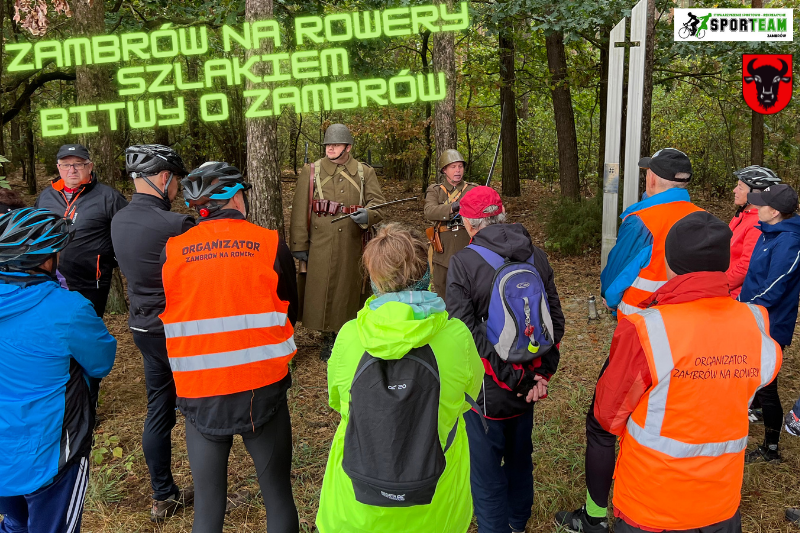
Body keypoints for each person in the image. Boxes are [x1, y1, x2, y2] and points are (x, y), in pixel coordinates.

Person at [569, 211, 780, 533]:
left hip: (651, 505)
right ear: (725, 263)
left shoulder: (647, 330)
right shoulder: (756, 321)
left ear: (669, 262)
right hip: (721, 504)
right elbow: (764, 374)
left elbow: (608, 418)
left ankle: (593, 517)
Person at [558, 148, 701, 531]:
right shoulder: (702, 219)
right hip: (690, 341)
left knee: (603, 425)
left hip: (641, 340)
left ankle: (594, 517)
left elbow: (612, 284)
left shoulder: (642, 221)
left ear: (651, 178)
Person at [159, 162, 299, 533]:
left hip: (200, 391)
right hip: (261, 389)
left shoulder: (173, 251)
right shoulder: (270, 243)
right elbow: (291, 311)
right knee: (278, 496)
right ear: (236, 198)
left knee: (207, 507)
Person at [316, 223, 484, 533]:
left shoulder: (349, 336)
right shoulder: (457, 336)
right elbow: (468, 396)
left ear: (374, 280)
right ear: (426, 274)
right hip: (436, 506)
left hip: (354, 509)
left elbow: (337, 401)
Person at [446, 186, 565, 533]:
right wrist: (539, 376)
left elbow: (464, 334)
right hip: (530, 386)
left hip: (487, 391)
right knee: (519, 458)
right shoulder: (536, 255)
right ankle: (518, 523)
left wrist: (517, 380)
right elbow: (554, 323)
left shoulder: (463, 263)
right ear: (502, 214)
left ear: (469, 224)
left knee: (486, 471)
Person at [0, 208, 117, 533]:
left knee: (15, 523)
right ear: (43, 260)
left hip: (4, 453)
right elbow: (102, 361)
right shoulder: (67, 309)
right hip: (52, 451)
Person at [110, 145, 195, 521]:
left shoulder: (118, 220)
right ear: (164, 178)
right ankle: (210, 489)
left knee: (158, 409)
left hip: (142, 326)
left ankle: (163, 495)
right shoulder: (175, 225)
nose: (177, 188)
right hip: (177, 329)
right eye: (176, 180)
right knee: (196, 409)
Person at [35, 143, 128, 409]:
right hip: (50, 284)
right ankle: (62, 399)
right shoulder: (46, 197)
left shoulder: (108, 197)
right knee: (56, 340)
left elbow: (126, 235)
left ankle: (88, 402)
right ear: (58, 168)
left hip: (90, 283)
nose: (72, 169)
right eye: (66, 164)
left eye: (78, 164)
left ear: (90, 166)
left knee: (85, 342)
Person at [289, 124, 386, 360]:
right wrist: (299, 244)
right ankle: (327, 337)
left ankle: (346, 334)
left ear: (348, 147)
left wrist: (368, 215)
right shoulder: (311, 171)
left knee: (348, 290)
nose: (330, 148)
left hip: (352, 243)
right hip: (320, 243)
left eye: (335, 144)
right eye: (328, 145)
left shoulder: (364, 172)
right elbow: (300, 210)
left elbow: (378, 204)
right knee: (321, 289)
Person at [738, 184, 800, 464]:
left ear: (774, 212)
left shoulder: (789, 241)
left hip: (770, 324)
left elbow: (775, 287)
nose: (756, 207)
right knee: (753, 381)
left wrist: (742, 309)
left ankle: (771, 449)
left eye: (761, 203)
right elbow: (755, 279)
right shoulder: (769, 233)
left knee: (767, 386)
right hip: (751, 318)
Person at [424, 149, 477, 301]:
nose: (458, 170)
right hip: (443, 249)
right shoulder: (435, 191)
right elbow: (429, 211)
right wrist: (452, 207)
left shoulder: (472, 189)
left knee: (470, 289)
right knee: (443, 289)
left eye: (460, 166)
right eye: (453, 167)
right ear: (444, 170)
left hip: (467, 243)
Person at [727, 166, 781, 300]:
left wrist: (719, 285)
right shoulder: (743, 214)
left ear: (755, 194)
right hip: (727, 285)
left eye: (740, 187)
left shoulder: (757, 222)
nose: (734, 190)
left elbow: (746, 266)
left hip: (737, 295)